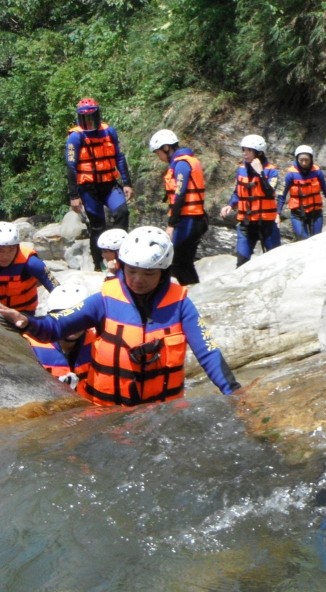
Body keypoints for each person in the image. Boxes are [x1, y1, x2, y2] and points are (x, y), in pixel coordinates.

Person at [0, 226, 241, 407]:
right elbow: (55, 327)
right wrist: (25, 321)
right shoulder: (104, 300)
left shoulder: (181, 305)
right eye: (131, 271)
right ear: (122, 266)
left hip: (161, 413)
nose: (138, 280)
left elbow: (208, 353)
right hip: (105, 412)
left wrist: (234, 393)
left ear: (163, 272)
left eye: (148, 273)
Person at [65, 97, 133, 272]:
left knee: (122, 212)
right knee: (98, 226)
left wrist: (127, 183)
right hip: (89, 189)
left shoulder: (109, 132)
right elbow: (71, 167)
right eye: (84, 118)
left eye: (91, 117)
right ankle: (99, 264)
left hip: (109, 184)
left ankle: (121, 254)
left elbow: (119, 157)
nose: (88, 122)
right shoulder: (75, 137)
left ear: (97, 115)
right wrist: (74, 196)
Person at [149, 129, 208, 285]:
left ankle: (191, 291)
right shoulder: (181, 162)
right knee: (183, 262)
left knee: (177, 261)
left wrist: (171, 224)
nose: (159, 157)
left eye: (158, 153)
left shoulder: (182, 164)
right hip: (190, 218)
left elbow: (180, 195)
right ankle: (193, 289)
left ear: (166, 148)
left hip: (190, 220)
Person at [218, 135, 282, 266]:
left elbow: (269, 192)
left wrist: (261, 173)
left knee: (275, 262)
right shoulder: (241, 170)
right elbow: (237, 192)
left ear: (259, 153)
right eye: (243, 149)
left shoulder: (272, 171)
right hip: (246, 224)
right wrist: (230, 205)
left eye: (249, 150)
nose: (245, 153)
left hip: (267, 223)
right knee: (241, 263)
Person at [21, 282, 94, 388]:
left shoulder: (98, 343)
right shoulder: (29, 346)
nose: (73, 324)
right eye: (64, 318)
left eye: (79, 319)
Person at [278, 145, 326, 239]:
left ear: (311, 159)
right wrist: (277, 213)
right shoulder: (291, 174)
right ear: (297, 159)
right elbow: (282, 195)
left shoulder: (317, 172)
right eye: (301, 160)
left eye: (306, 160)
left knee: (316, 239)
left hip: (315, 214)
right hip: (297, 214)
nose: (304, 163)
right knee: (303, 238)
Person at [0, 221, 58, 321]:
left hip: (25, 317)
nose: (6, 256)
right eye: (0, 250)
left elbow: (58, 290)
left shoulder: (32, 263)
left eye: (11, 249)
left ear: (17, 247)